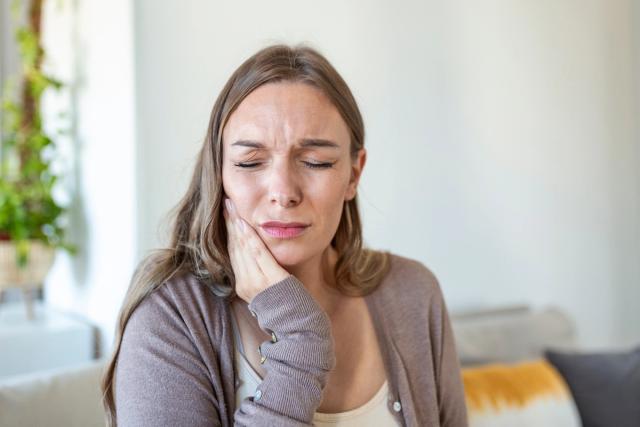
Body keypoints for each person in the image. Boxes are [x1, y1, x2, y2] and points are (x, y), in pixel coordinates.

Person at [101, 44, 468, 427]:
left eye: (315, 162)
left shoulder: (413, 291)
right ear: (220, 172)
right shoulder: (170, 317)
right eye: (250, 162)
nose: (283, 191)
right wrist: (300, 338)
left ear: (354, 174)